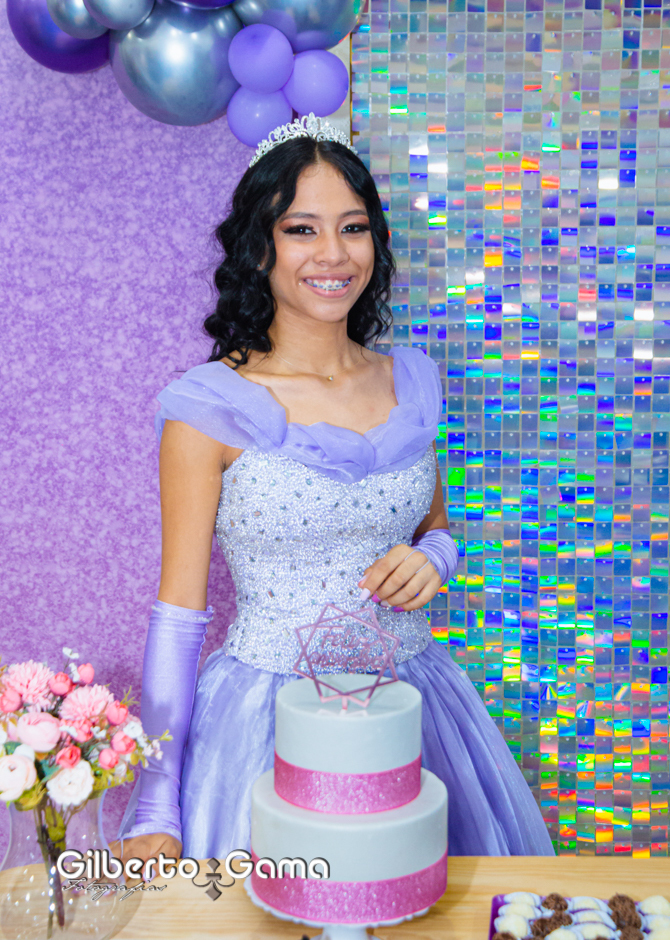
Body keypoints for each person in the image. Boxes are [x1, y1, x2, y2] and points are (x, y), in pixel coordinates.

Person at [113, 115, 554, 868]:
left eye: (353, 228)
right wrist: (157, 803)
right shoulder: (205, 407)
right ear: (259, 247)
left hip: (413, 707)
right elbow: (179, 616)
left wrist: (437, 559)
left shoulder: (411, 380)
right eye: (301, 229)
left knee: (426, 900)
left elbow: (434, 527)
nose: (333, 253)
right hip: (265, 721)